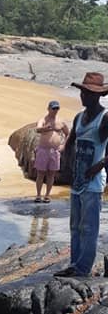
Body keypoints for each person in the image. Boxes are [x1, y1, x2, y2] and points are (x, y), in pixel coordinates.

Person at [56, 71, 108, 278]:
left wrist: (100, 165)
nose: (83, 96)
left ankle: (83, 269)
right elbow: (70, 144)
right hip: (77, 180)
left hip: (93, 183)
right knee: (75, 227)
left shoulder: (104, 118)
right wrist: (67, 166)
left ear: (98, 96)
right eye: (82, 92)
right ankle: (74, 264)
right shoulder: (79, 117)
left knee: (88, 228)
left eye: (87, 93)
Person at [33, 100, 69, 204]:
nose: (55, 110)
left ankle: (47, 195)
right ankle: (38, 195)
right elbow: (38, 129)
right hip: (43, 150)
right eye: (53, 108)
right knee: (40, 173)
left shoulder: (61, 122)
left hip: (55, 151)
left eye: (57, 108)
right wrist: (45, 128)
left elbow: (68, 133)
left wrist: (63, 145)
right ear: (48, 108)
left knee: (51, 174)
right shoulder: (43, 119)